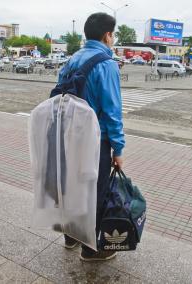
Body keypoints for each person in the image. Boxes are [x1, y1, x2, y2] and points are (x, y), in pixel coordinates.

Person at [58, 12, 125, 261]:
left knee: (72, 187)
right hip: (95, 142)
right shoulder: (106, 65)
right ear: (107, 35)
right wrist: (118, 149)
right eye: (113, 34)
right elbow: (112, 112)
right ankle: (91, 249)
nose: (113, 38)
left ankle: (70, 236)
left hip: (68, 137)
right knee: (94, 193)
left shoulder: (72, 60)